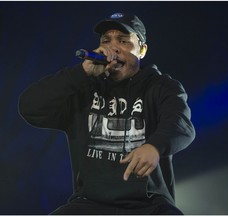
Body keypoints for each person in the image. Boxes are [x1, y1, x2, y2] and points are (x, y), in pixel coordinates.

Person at [18, 12, 195, 215]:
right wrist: (80, 74)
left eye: (123, 41)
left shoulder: (163, 87)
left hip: (148, 204)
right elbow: (29, 106)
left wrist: (154, 146)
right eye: (106, 41)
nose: (114, 47)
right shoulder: (83, 88)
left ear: (143, 50)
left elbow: (180, 124)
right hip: (89, 204)